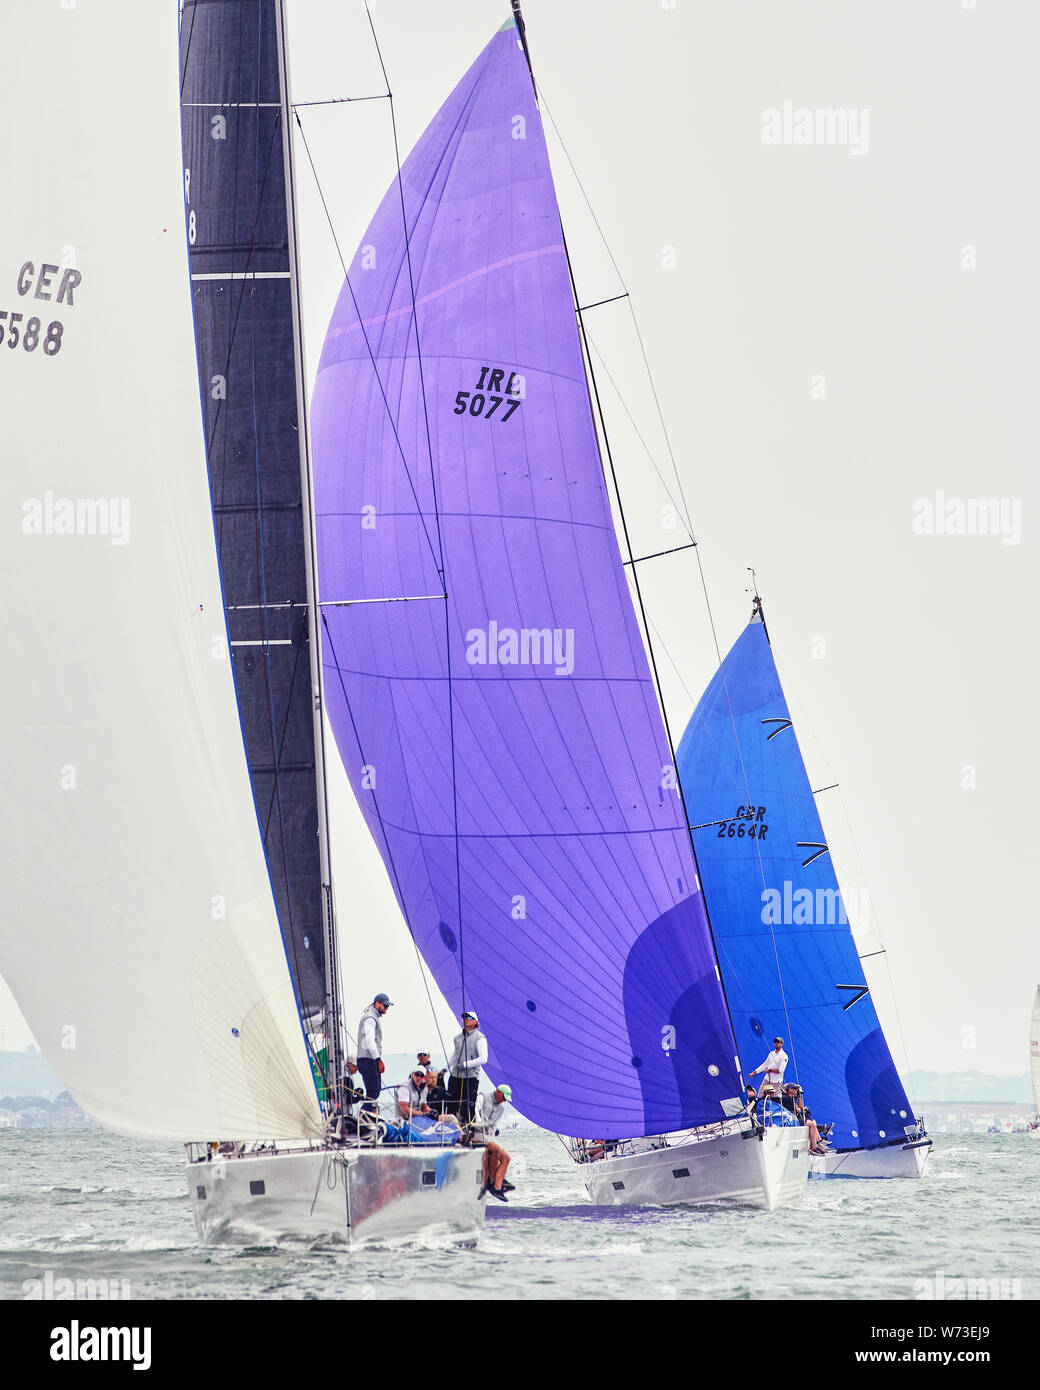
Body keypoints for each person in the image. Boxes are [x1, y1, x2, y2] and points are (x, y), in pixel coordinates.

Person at [472, 1085, 514, 1202]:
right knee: (495, 1149)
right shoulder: (483, 1097)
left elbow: (494, 1126)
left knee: (506, 1158)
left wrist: (490, 1131)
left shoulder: (501, 1109)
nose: (504, 1101)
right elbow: (476, 1111)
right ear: (498, 1092)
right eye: (504, 1098)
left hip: (488, 1136)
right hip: (477, 1133)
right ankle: (492, 1180)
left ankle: (497, 1186)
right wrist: (480, 1123)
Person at [447, 1010, 487, 1125]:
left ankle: (469, 1129)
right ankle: (452, 1128)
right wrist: (445, 1069)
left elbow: (483, 1058)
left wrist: (465, 1065)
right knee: (452, 1104)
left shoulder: (480, 1038)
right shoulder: (457, 1038)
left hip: (470, 1077)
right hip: (455, 1076)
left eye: (468, 1017)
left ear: (475, 1022)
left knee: (468, 1105)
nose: (465, 1019)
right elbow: (455, 1054)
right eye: (464, 1017)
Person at [356, 993, 392, 1108]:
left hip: (367, 1060)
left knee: (375, 1090)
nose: (387, 1009)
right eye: (385, 1006)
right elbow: (370, 1041)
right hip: (367, 1060)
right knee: (373, 1091)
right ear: (377, 1004)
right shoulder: (370, 1018)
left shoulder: (372, 1017)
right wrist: (378, 1060)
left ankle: (366, 1115)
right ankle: (363, 1117)